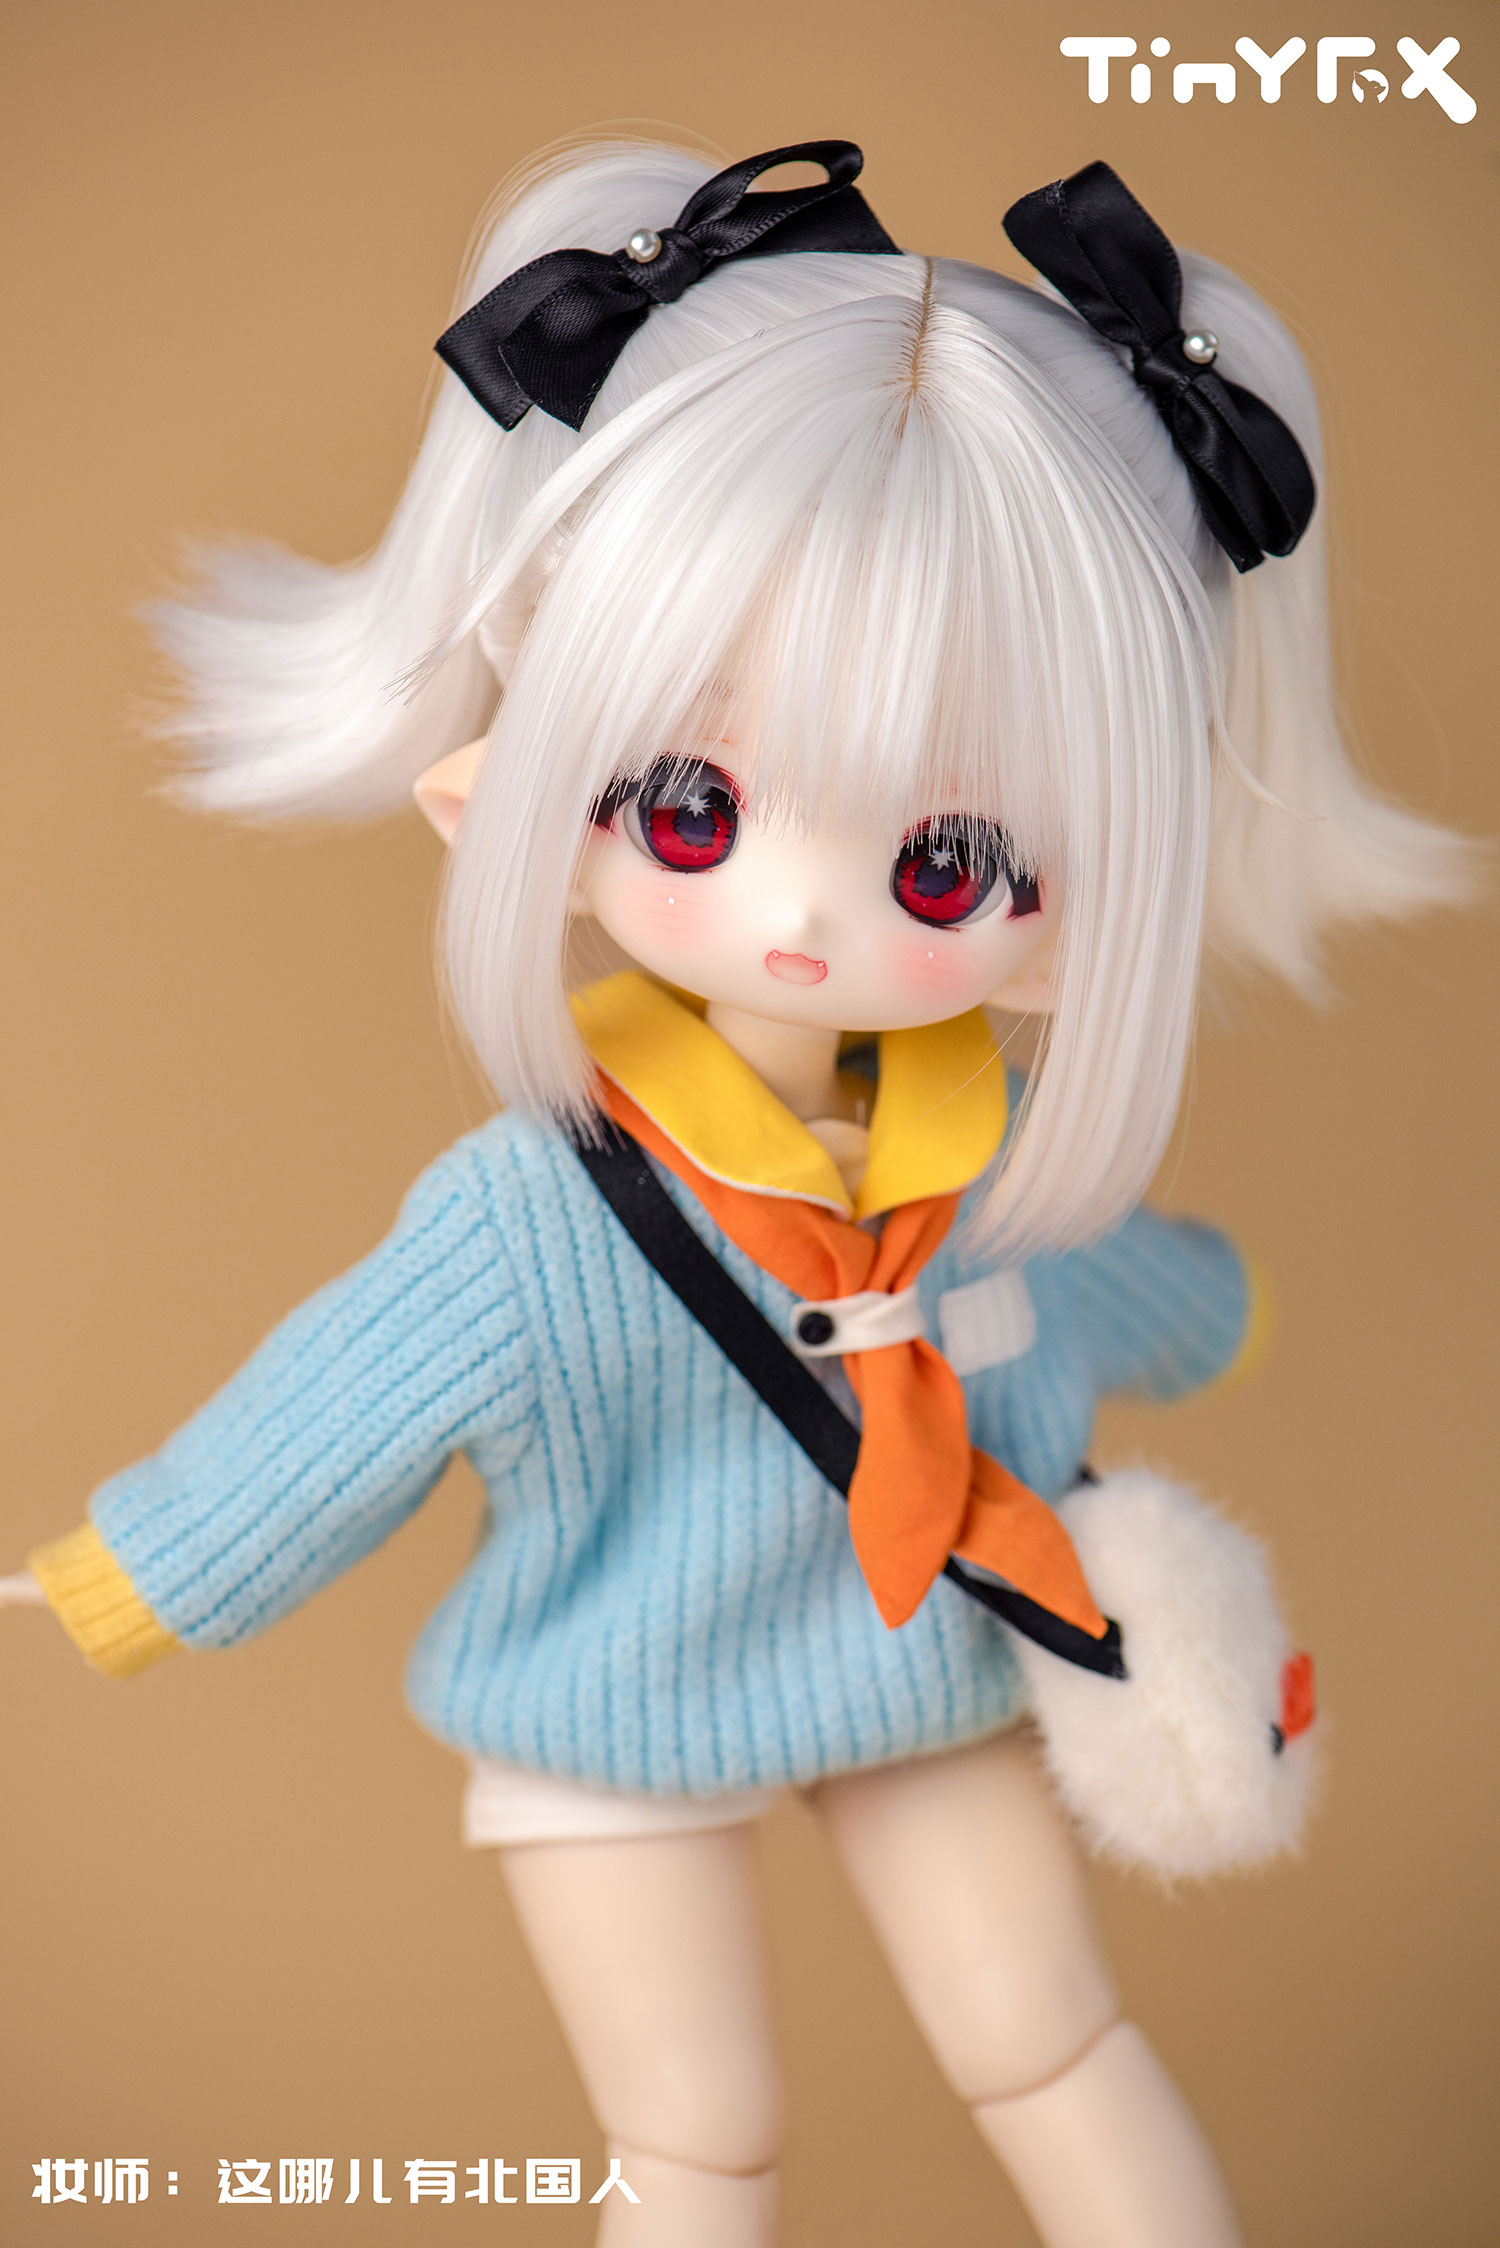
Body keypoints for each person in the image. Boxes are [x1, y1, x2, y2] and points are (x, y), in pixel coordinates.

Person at [2, 139, 1469, 2245]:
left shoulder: (982, 1166)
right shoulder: (535, 1220)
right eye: (690, 805)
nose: (802, 917)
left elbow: (1095, 1290)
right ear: (512, 788)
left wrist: (1219, 1303)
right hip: (611, 1692)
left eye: (948, 861)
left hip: (924, 1651)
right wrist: (125, 1574)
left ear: (1086, 911)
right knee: (701, 2134)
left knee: (1051, 2040)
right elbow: (324, 1422)